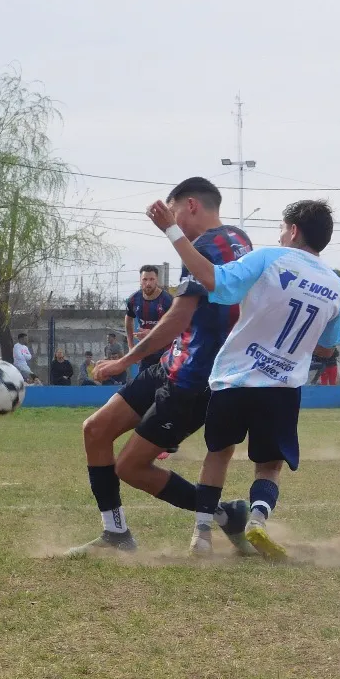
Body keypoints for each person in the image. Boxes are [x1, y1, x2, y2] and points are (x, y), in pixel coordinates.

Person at [150, 197, 340, 558]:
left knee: (218, 454)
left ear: (293, 230)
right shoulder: (337, 287)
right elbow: (325, 349)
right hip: (281, 389)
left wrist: (172, 231)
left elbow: (213, 278)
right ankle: (257, 520)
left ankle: (203, 534)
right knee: (269, 466)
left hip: (233, 380)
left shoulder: (270, 258)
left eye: (282, 228)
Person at [71, 177, 252, 557]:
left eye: (172, 214)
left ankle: (223, 515)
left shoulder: (205, 248)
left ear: (190, 206)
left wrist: (125, 359)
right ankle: (116, 534)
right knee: (96, 430)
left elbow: (178, 318)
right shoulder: (238, 239)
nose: (171, 224)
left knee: (131, 467)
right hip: (171, 367)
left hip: (191, 382)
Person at [126, 265, 174, 374]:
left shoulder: (167, 300)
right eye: (145, 279)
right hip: (146, 352)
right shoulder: (134, 299)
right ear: (140, 280)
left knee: (164, 387)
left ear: (156, 280)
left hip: (166, 353)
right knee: (143, 387)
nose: (148, 283)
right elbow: (128, 318)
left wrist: (152, 334)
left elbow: (176, 328)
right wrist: (131, 346)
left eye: (152, 279)